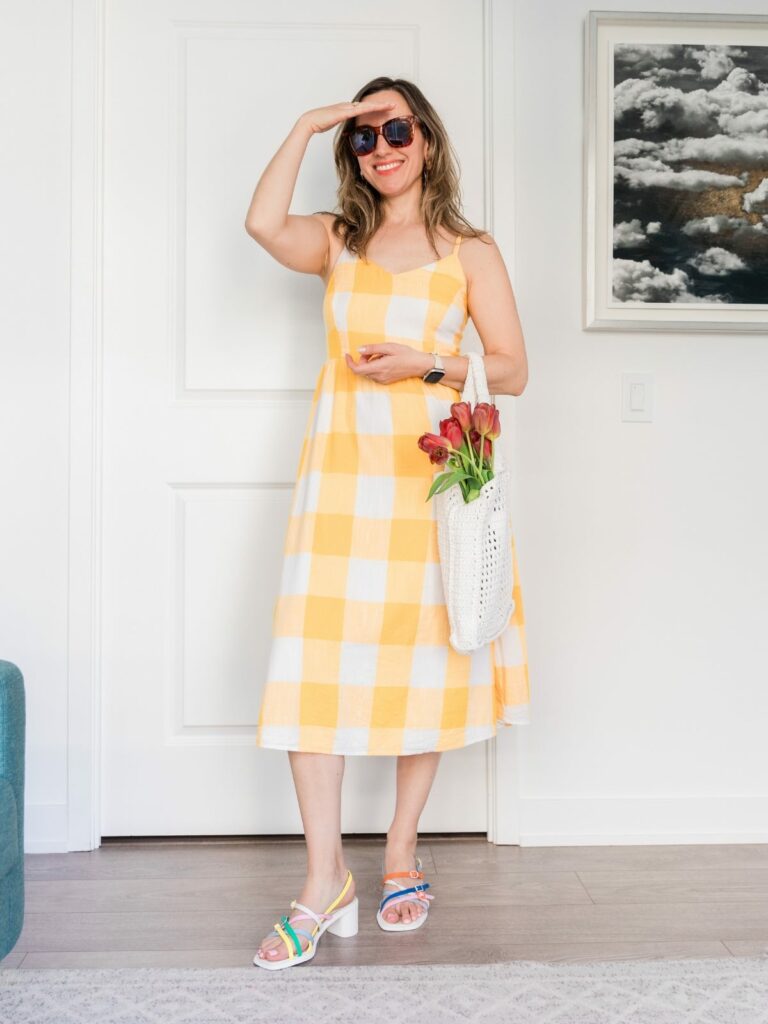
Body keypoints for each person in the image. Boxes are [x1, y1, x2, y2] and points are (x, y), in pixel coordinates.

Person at [244, 76, 530, 970]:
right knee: (312, 676)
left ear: (428, 140)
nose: (383, 149)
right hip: (339, 483)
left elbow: (514, 369)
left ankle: (402, 848)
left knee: (423, 671)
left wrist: (428, 363)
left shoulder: (470, 251)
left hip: (431, 485)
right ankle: (322, 879)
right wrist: (307, 121)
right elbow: (260, 224)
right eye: (365, 139)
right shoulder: (339, 239)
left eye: (397, 129)